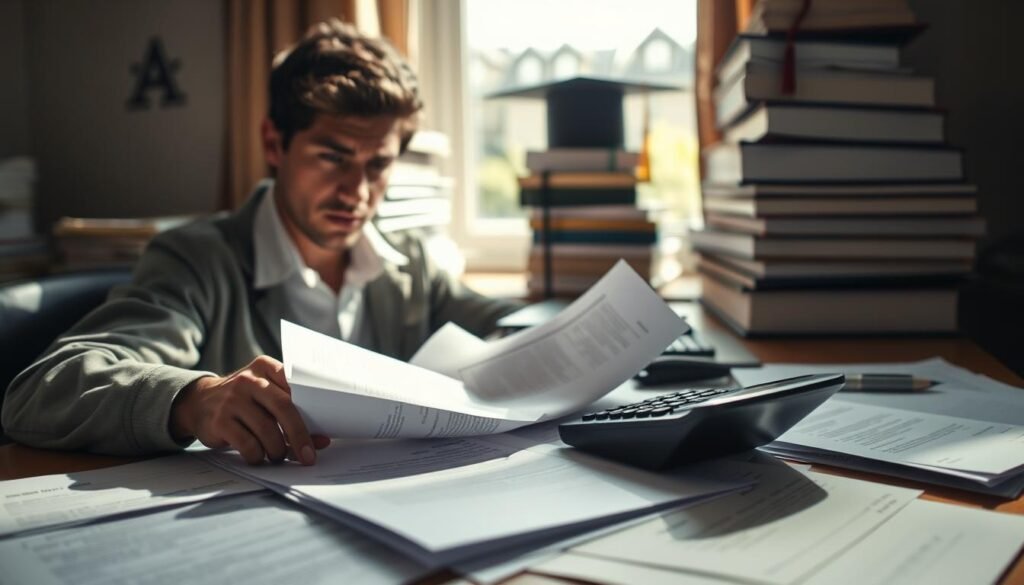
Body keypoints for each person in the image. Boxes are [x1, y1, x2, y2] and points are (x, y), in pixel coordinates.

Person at [1, 20, 521, 466]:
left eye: (378, 164)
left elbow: (503, 324)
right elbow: (41, 390)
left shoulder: (411, 261)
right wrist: (194, 399)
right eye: (333, 157)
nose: (357, 193)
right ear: (274, 144)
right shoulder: (196, 260)